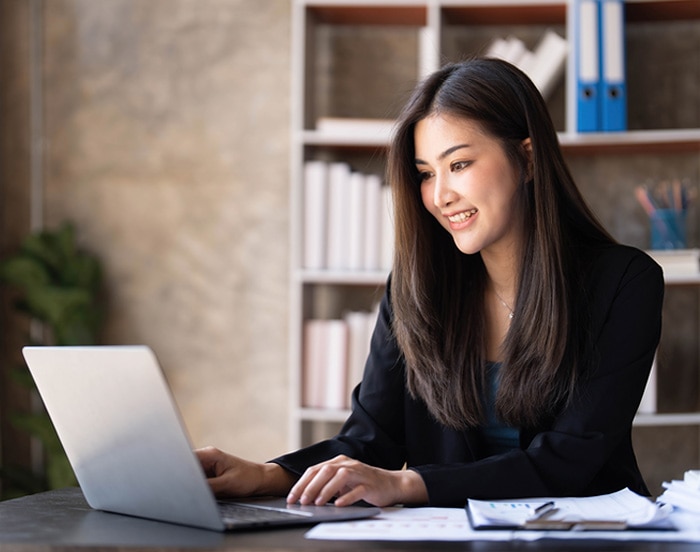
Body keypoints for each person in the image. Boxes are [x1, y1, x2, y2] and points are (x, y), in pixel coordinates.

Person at [196, 57, 664, 508]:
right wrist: (266, 475)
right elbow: (370, 439)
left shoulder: (624, 283)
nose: (440, 196)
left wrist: (408, 484)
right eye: (425, 174)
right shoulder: (416, 291)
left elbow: (568, 461)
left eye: (458, 165)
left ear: (528, 158)